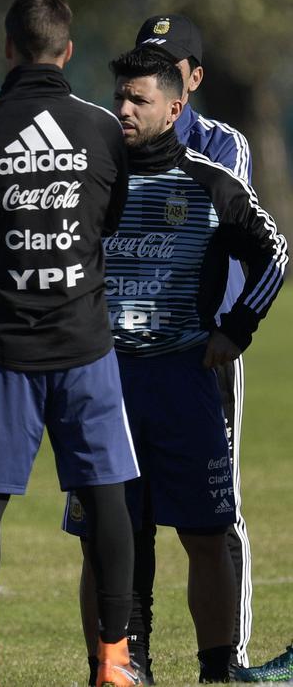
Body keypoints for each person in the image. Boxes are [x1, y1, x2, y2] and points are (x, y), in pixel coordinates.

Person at [0, 0, 140, 686]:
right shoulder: (101, 129)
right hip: (85, 343)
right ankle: (114, 662)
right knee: (107, 495)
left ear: (7, 47)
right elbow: (108, 222)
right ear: (68, 50)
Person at [72, 45, 286, 685]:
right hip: (105, 384)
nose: (124, 109)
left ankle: (216, 670)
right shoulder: (89, 180)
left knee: (205, 534)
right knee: (106, 536)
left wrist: (237, 327)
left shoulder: (212, 183)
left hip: (183, 381)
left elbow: (274, 254)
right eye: (120, 97)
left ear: (174, 107)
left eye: (139, 99)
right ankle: (119, 666)